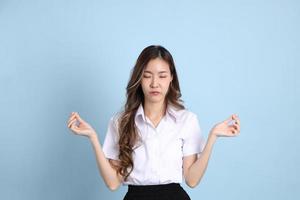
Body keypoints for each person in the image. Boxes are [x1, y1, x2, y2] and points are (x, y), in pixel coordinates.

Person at [67, 45, 241, 200]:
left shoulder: (187, 120)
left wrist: (212, 137)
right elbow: (113, 183)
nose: (155, 83)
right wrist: (93, 138)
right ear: (139, 79)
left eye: (162, 76)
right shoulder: (120, 122)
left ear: (171, 77)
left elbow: (192, 180)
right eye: (147, 76)